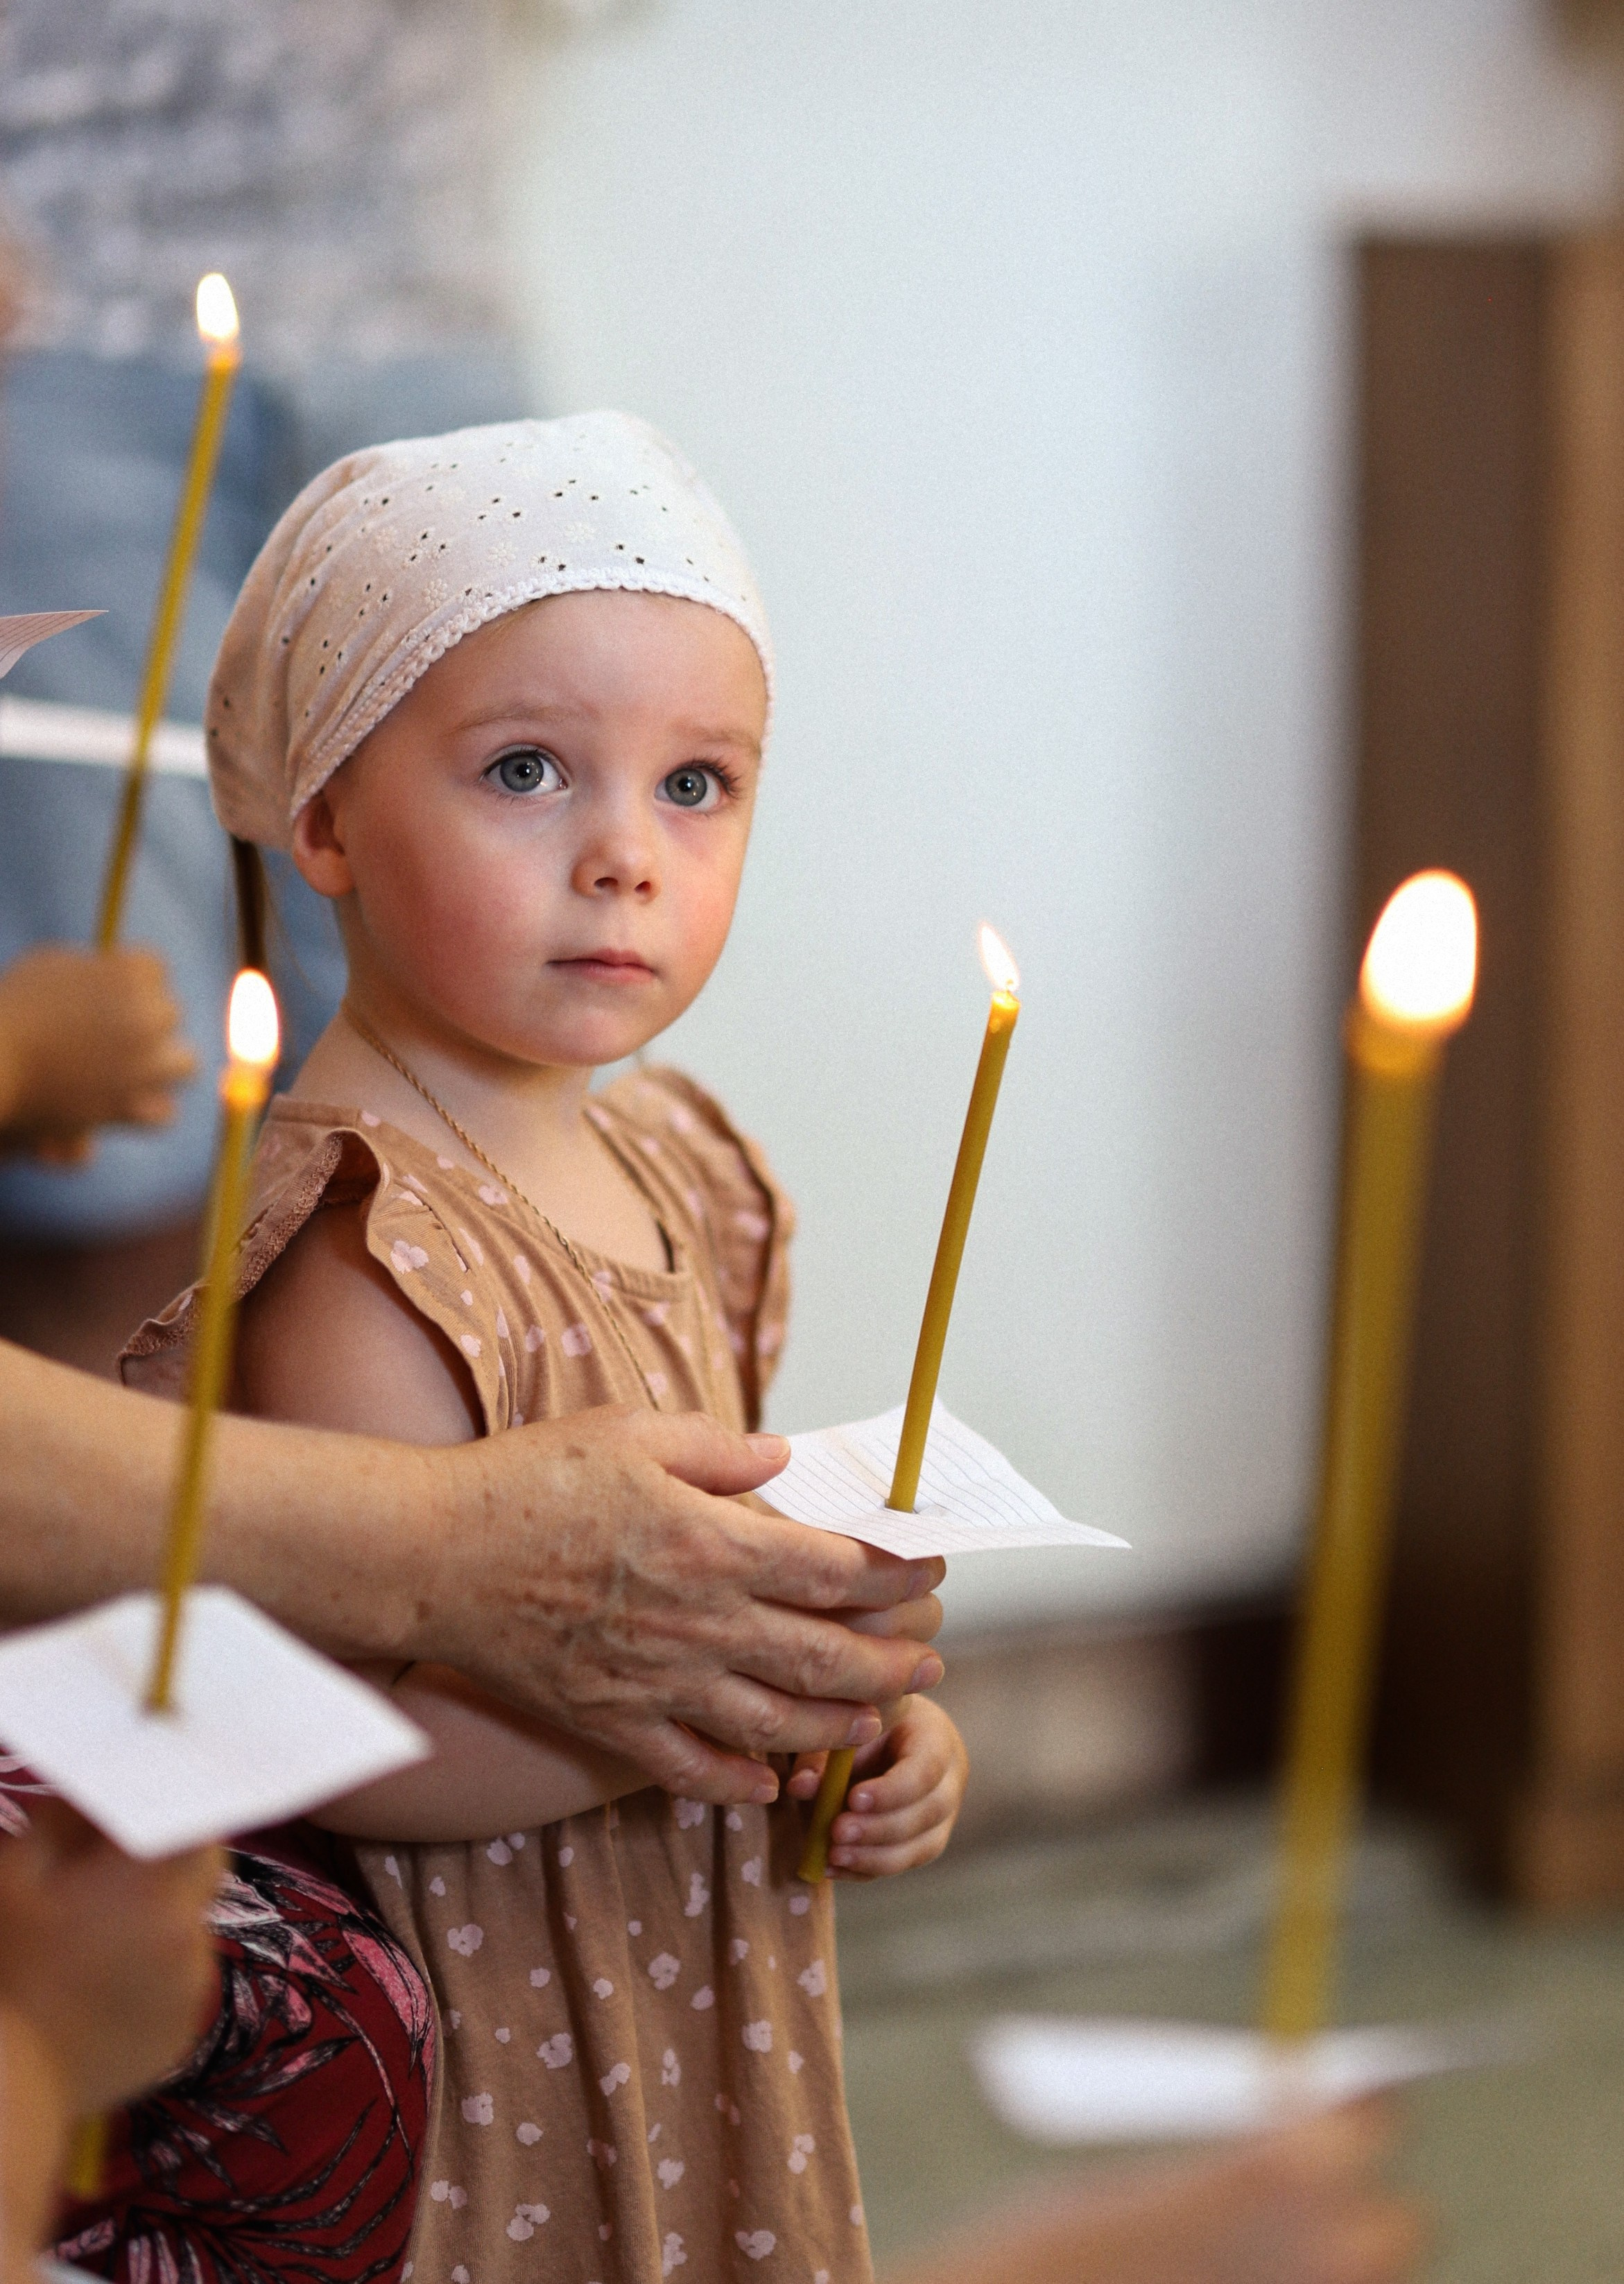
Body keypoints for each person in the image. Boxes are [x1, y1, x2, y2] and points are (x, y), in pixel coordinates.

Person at [117, 408, 969, 2282]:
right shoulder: (368, 1242)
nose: (625, 858)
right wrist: (745, 1703)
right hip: (496, 2015)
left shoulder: (686, 1157)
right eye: (526, 770)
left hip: (685, 1959)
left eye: (697, 786)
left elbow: (705, 1534)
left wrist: (850, 1699)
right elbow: (344, 1748)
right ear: (325, 813)